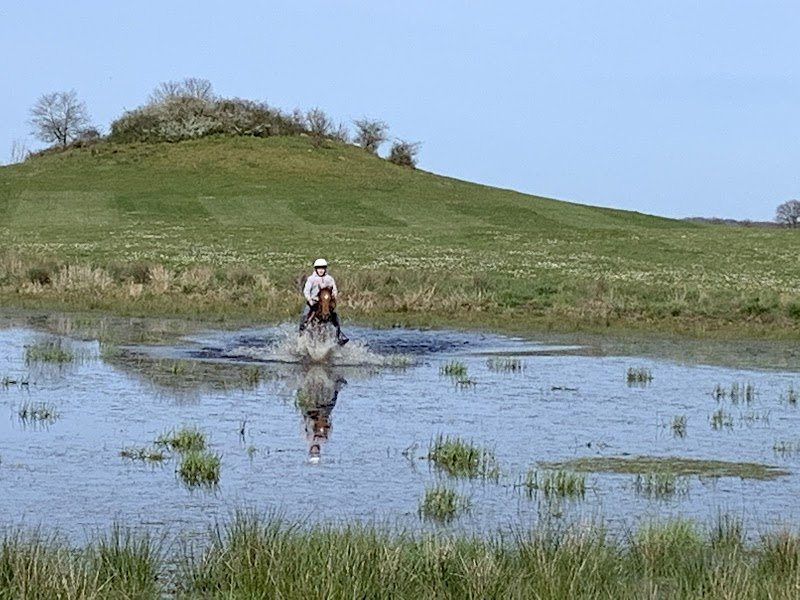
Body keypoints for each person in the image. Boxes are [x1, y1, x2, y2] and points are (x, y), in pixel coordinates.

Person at [299, 258, 349, 345]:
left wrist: (333, 296)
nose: (321, 270)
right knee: (305, 315)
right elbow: (306, 291)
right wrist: (310, 299)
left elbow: (334, 289)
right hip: (314, 302)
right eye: (319, 268)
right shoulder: (311, 279)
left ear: (325, 269)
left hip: (326, 302)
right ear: (316, 269)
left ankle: (339, 335)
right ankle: (301, 333)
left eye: (323, 268)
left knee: (335, 317)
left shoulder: (329, 279)